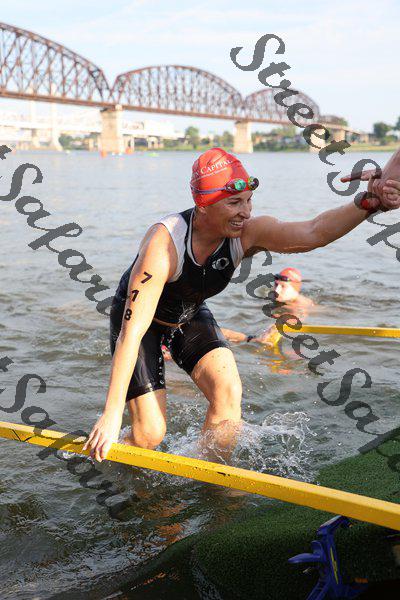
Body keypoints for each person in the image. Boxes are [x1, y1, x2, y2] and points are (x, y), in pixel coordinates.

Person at [83, 147, 400, 462]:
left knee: (228, 393)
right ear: (203, 205)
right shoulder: (165, 244)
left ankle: (209, 477)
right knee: (149, 435)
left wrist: (368, 203)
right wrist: (111, 414)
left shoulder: (246, 233)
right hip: (141, 325)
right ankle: (105, 455)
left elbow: (312, 233)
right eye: (234, 203)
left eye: (249, 201)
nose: (245, 212)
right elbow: (131, 333)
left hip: (189, 313)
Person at [220, 267, 313, 346]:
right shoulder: (274, 296)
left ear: (295, 289)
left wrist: (277, 327)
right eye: (276, 284)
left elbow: (297, 319)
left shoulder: (302, 304)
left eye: (283, 286)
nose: (277, 290)